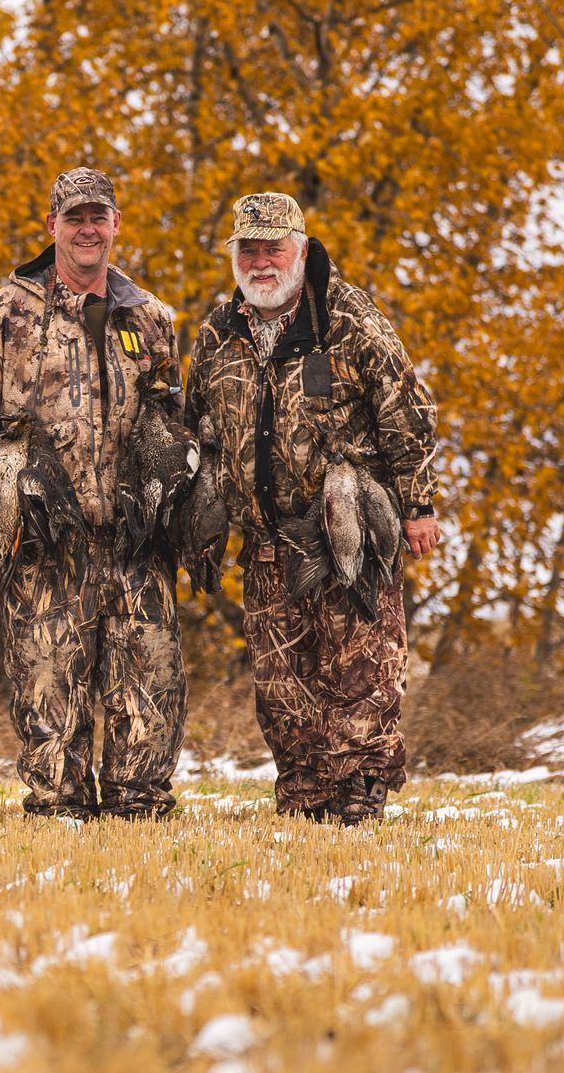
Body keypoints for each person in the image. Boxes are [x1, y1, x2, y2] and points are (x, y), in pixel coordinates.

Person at [0, 168, 193, 819]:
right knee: (48, 688)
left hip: (137, 545)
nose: (86, 229)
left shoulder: (151, 318)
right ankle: (58, 818)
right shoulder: (10, 311)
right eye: (73, 217)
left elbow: (178, 419)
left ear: (115, 224)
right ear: (52, 227)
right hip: (46, 539)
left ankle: (140, 813)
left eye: (97, 216)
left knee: (150, 686)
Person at [184, 192, 439, 824]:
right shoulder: (219, 332)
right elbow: (197, 433)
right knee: (282, 691)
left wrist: (418, 506)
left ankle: (358, 805)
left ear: (301, 248)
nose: (262, 262)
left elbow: (408, 415)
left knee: (361, 677)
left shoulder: (348, 319)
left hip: (345, 532)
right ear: (235, 256)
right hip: (267, 543)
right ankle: (303, 803)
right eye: (250, 249)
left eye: (274, 248)